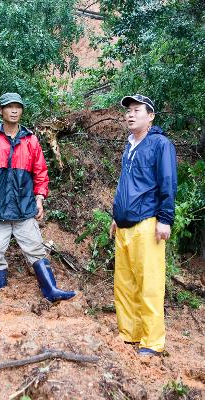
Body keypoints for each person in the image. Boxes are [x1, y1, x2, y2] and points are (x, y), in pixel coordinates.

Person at [0, 92, 75, 302]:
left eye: (18, 106)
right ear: (1, 110)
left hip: (24, 209)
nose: (14, 110)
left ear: (22, 111)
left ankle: (50, 290)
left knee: (36, 249)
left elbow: (41, 172)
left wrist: (39, 199)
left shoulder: (30, 140)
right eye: (9, 106)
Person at [110, 94, 177, 356]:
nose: (130, 114)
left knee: (149, 284)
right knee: (124, 284)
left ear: (150, 116)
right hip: (124, 226)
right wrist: (116, 217)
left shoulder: (160, 144)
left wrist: (165, 219)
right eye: (128, 110)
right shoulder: (129, 146)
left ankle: (152, 342)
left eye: (137, 110)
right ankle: (129, 334)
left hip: (148, 224)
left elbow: (168, 183)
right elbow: (126, 185)